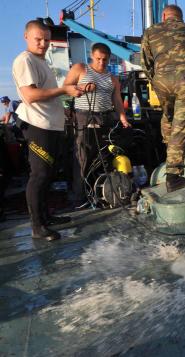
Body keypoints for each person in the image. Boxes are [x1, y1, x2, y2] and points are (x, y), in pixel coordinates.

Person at [12, 20, 84, 241]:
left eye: (46, 39)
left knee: (49, 174)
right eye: (38, 39)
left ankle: (46, 216)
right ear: (26, 37)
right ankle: (37, 226)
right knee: (39, 175)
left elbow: (48, 95)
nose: (43, 43)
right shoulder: (25, 60)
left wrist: (67, 102)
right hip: (37, 126)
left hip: (50, 125)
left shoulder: (41, 61)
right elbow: (31, 96)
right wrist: (64, 89)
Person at [141, 4, 185, 193]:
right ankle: (174, 176)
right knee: (181, 125)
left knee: (168, 116)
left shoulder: (151, 31)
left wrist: (157, 80)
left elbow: (145, 62)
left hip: (162, 82)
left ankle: (170, 154)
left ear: (163, 16)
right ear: (180, 17)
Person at [63, 43, 130, 206]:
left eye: (105, 60)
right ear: (92, 56)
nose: (102, 62)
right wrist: (82, 87)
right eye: (98, 59)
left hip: (106, 119)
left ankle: (100, 191)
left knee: (104, 156)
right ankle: (79, 196)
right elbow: (65, 87)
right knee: (83, 156)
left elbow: (117, 100)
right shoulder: (80, 69)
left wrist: (123, 118)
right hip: (85, 117)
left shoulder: (112, 78)